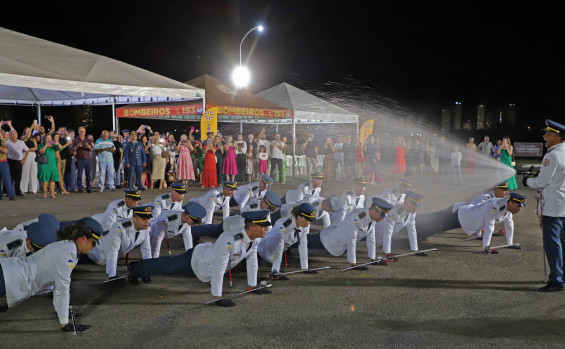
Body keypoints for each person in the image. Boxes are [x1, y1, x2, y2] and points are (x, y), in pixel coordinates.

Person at [127, 210, 272, 307]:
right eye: (263, 226)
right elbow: (219, 268)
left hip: (208, 265)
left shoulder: (255, 239)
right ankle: (134, 269)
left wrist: (252, 286)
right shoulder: (230, 240)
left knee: (167, 266)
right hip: (197, 259)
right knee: (166, 266)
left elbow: (252, 261)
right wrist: (217, 297)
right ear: (252, 227)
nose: (266, 229)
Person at [0, 221, 99, 332]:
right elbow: (62, 289)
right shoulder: (68, 256)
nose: (93, 247)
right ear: (83, 239)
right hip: (10, 277)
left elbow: (55, 285)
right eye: (93, 243)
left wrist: (62, 310)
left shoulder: (66, 246)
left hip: (10, 270)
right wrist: (64, 323)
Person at [524, 119, 565, 292]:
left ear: (557, 136)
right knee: (563, 244)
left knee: (553, 245)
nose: (544, 136)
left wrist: (527, 181)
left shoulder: (552, 155)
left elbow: (541, 182)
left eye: (548, 133)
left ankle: (557, 280)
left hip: (553, 208)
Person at [413, 193, 526, 254]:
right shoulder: (495, 206)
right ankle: (413, 226)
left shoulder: (508, 210)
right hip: (461, 217)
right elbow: (489, 226)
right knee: (435, 224)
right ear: (511, 203)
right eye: (518, 206)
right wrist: (486, 247)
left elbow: (509, 226)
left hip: (467, 220)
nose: (519, 210)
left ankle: (416, 228)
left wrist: (509, 243)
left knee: (435, 223)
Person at [309, 197, 393, 269]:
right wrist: (353, 264)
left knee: (304, 241)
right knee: (303, 242)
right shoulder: (356, 217)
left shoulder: (372, 219)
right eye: (382, 215)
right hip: (328, 241)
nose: (383, 218)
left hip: (338, 244)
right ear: (374, 211)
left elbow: (371, 239)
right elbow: (351, 239)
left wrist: (373, 259)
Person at [87, 203, 154, 280]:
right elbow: (113, 251)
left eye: (148, 218)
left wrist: (148, 271)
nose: (147, 221)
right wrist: (112, 276)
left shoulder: (146, 229)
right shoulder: (120, 227)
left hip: (112, 256)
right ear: (134, 219)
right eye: (143, 219)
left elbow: (146, 250)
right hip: (97, 252)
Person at [258, 203, 317, 278]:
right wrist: (275, 271)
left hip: (276, 255)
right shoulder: (283, 226)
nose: (308, 223)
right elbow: (278, 248)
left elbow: (303, 245)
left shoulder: (304, 226)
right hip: (262, 252)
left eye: (310, 221)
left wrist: (305, 268)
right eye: (307, 220)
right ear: (299, 217)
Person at [382, 191, 424, 255]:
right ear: (406, 202)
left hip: (386, 239)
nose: (416, 208)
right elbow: (387, 232)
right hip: (378, 235)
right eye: (414, 205)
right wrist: (387, 252)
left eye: (417, 206)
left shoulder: (412, 213)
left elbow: (412, 230)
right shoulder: (395, 212)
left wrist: (415, 250)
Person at [37, 134, 63, 199]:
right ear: (45, 139)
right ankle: (45, 192)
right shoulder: (41, 145)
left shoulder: (53, 145)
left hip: (52, 163)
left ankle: (52, 192)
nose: (49, 139)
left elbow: (60, 148)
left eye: (50, 138)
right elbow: (41, 151)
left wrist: (58, 143)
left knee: (52, 179)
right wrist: (46, 145)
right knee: (45, 179)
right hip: (44, 164)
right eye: (47, 138)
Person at [6, 130, 29, 197]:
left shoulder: (21, 142)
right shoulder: (7, 142)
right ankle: (9, 192)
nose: (13, 136)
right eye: (12, 134)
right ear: (9, 135)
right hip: (10, 161)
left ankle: (17, 191)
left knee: (18, 177)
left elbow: (27, 150)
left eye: (15, 134)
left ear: (17, 135)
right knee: (10, 177)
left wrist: (24, 159)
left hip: (18, 161)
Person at [71, 126, 94, 193]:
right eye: (80, 131)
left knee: (88, 174)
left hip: (87, 158)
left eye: (83, 131)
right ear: (78, 132)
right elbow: (72, 149)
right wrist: (78, 146)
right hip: (79, 158)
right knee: (79, 174)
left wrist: (89, 147)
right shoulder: (75, 140)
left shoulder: (88, 140)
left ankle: (88, 188)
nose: (82, 133)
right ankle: (80, 188)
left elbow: (92, 149)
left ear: (85, 132)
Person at [20, 123, 38, 194]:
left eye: (29, 130)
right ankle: (23, 189)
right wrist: (31, 127)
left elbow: (36, 147)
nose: (29, 132)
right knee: (25, 172)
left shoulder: (33, 138)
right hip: (25, 155)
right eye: (27, 130)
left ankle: (33, 189)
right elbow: (26, 136)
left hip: (33, 155)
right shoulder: (23, 138)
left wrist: (28, 149)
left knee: (34, 172)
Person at [0, 128, 15, 200]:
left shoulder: (3, 142)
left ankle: (11, 195)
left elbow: (6, 151)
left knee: (7, 180)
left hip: (3, 163)